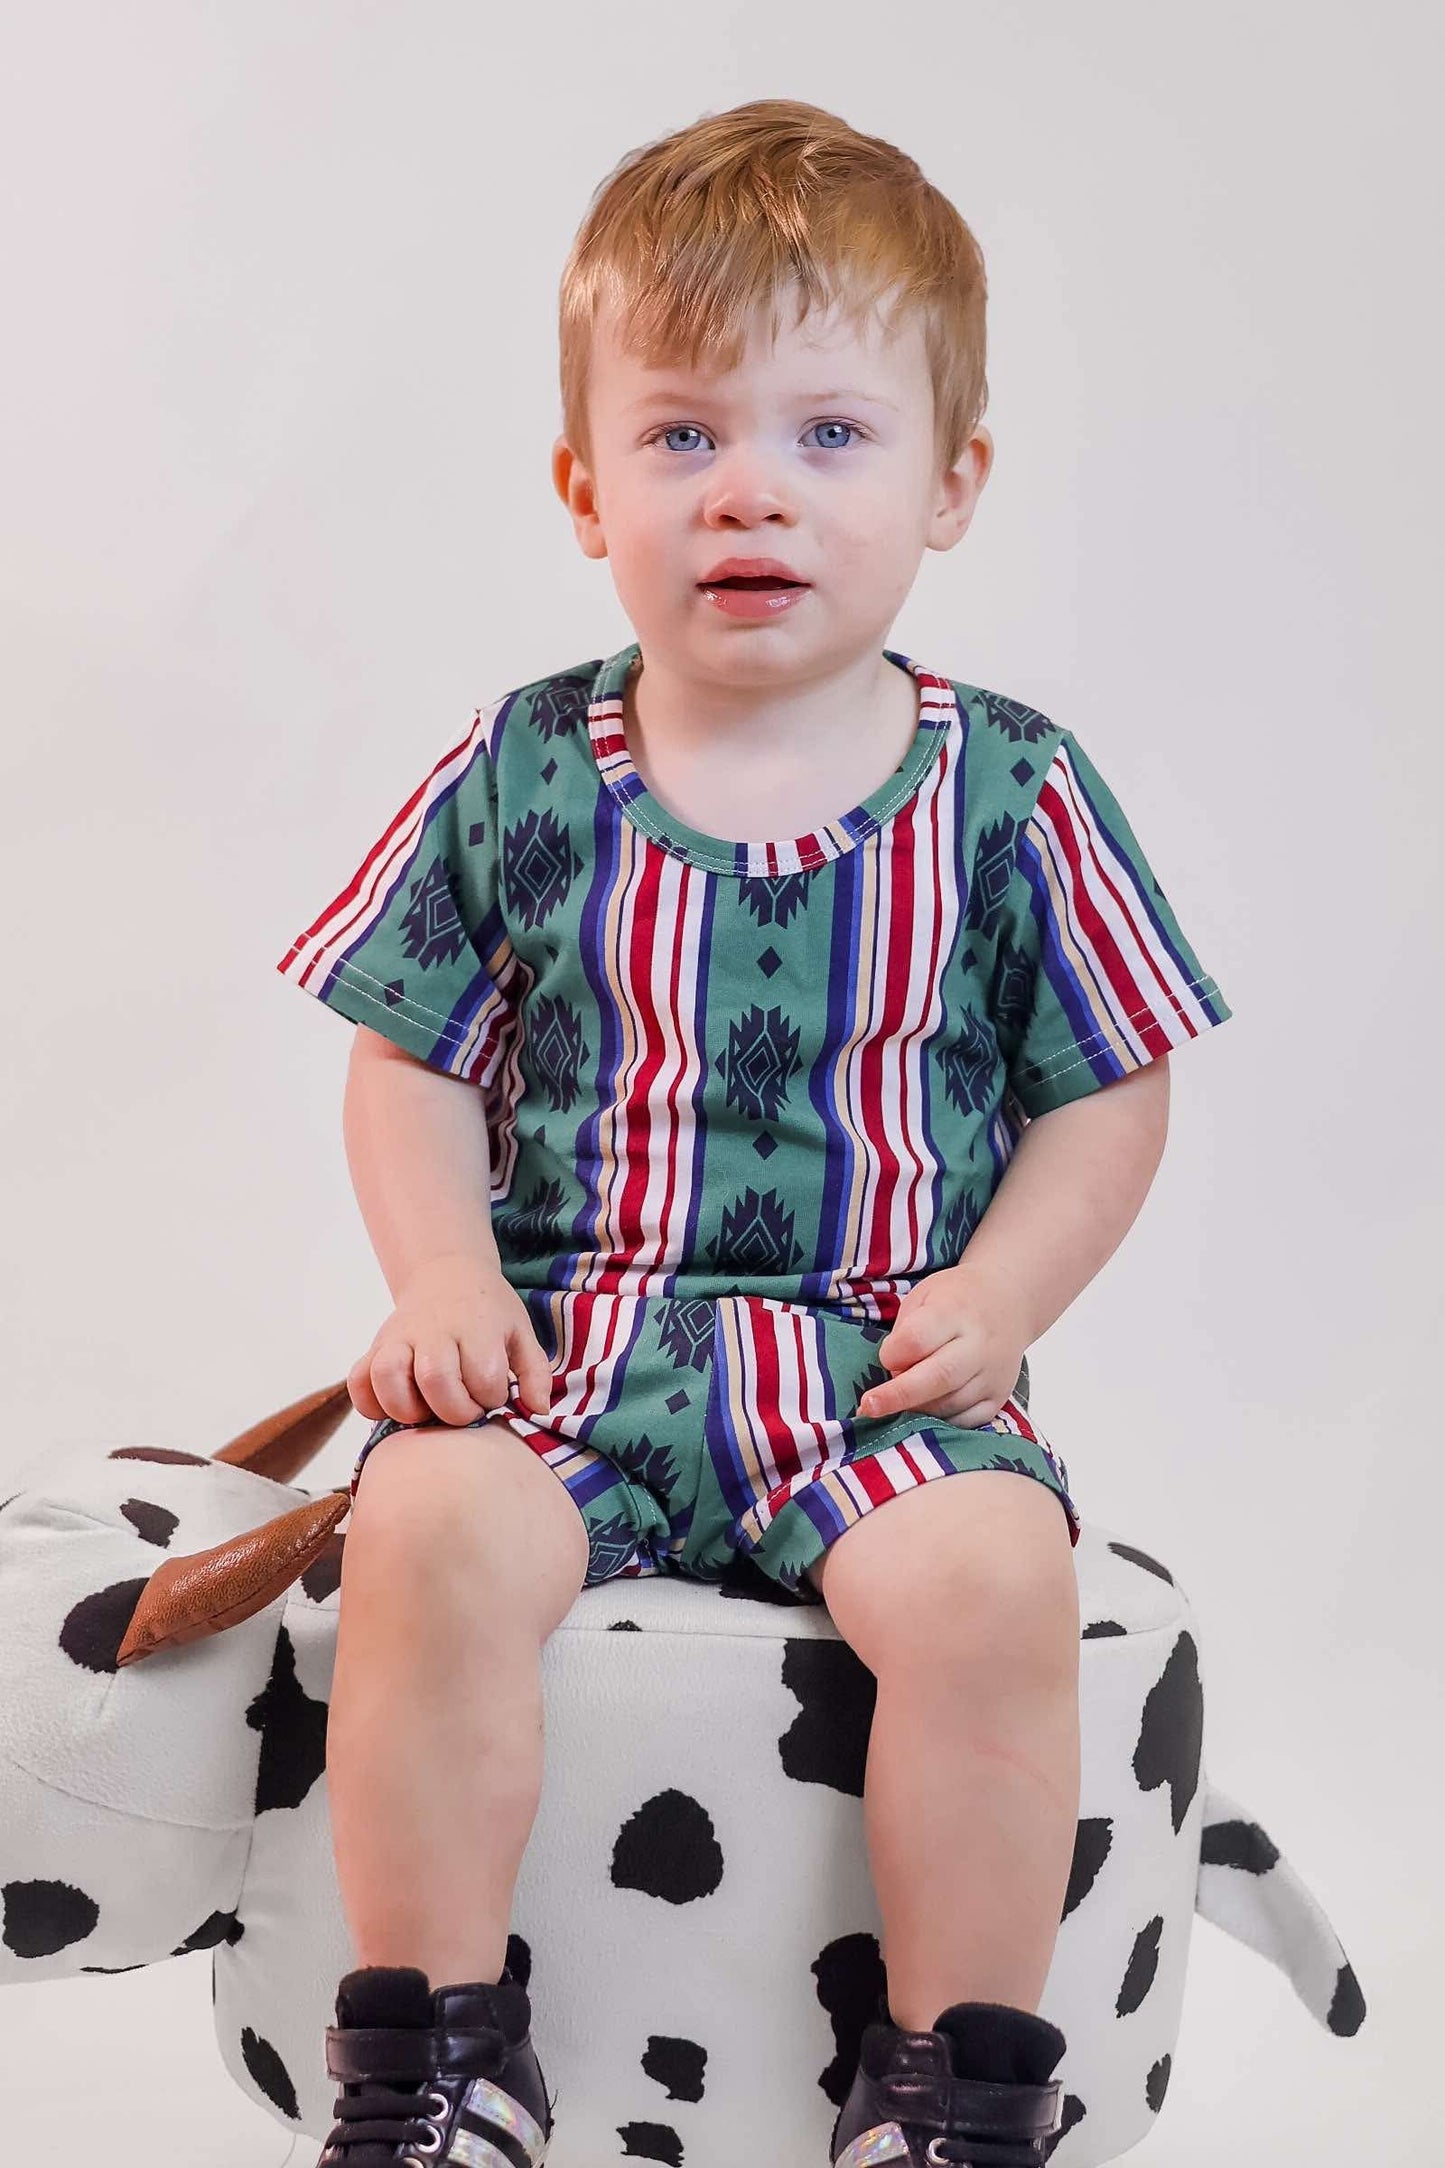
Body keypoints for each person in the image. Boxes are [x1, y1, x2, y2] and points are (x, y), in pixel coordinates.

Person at [276, 97, 1232, 2168]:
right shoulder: (524, 768)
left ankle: (955, 2081)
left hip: (876, 1362)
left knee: (995, 1582)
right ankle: (433, 2052)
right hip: (569, 1354)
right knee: (424, 1533)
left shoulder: (1012, 794)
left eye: (831, 433)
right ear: (583, 484)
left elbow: (1109, 1079)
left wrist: (1005, 1296)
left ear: (952, 482)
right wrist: (438, 1279)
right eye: (683, 434)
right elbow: (407, 1053)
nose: (750, 491)